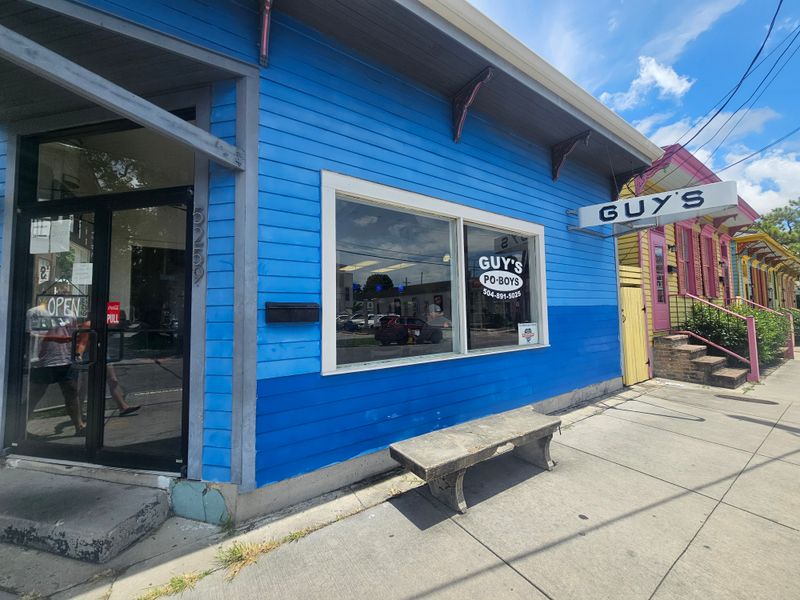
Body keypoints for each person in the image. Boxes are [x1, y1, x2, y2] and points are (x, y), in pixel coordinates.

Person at [26, 302, 85, 435]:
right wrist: (55, 338)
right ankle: (19, 428)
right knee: (35, 395)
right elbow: (30, 335)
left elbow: (74, 336)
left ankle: (79, 425)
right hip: (42, 361)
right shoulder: (36, 312)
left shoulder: (70, 313)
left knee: (72, 393)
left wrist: (76, 353)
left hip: (65, 359)